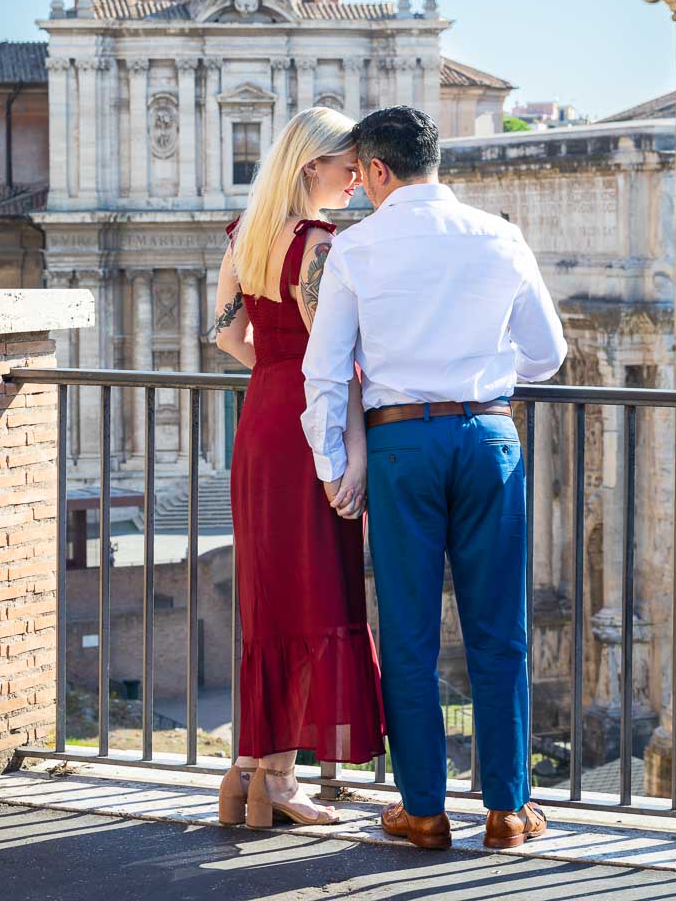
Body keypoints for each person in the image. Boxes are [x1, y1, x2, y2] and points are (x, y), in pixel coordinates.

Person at [301, 106, 567, 851]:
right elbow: (547, 355)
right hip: (487, 436)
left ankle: (423, 811)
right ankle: (509, 811)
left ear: (379, 170)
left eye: (364, 175)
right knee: (499, 630)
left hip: (399, 445)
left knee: (410, 633)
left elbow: (325, 373)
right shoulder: (500, 235)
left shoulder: (356, 250)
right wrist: (481, 374)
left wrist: (332, 467)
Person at [214, 107, 385, 831]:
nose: (356, 182)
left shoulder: (245, 234)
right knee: (314, 596)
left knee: (270, 601)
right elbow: (333, 361)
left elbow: (224, 336)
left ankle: (247, 776)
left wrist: (273, 372)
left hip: (260, 421)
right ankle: (278, 783)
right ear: (312, 165)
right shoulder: (317, 245)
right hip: (302, 433)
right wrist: (352, 454)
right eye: (348, 167)